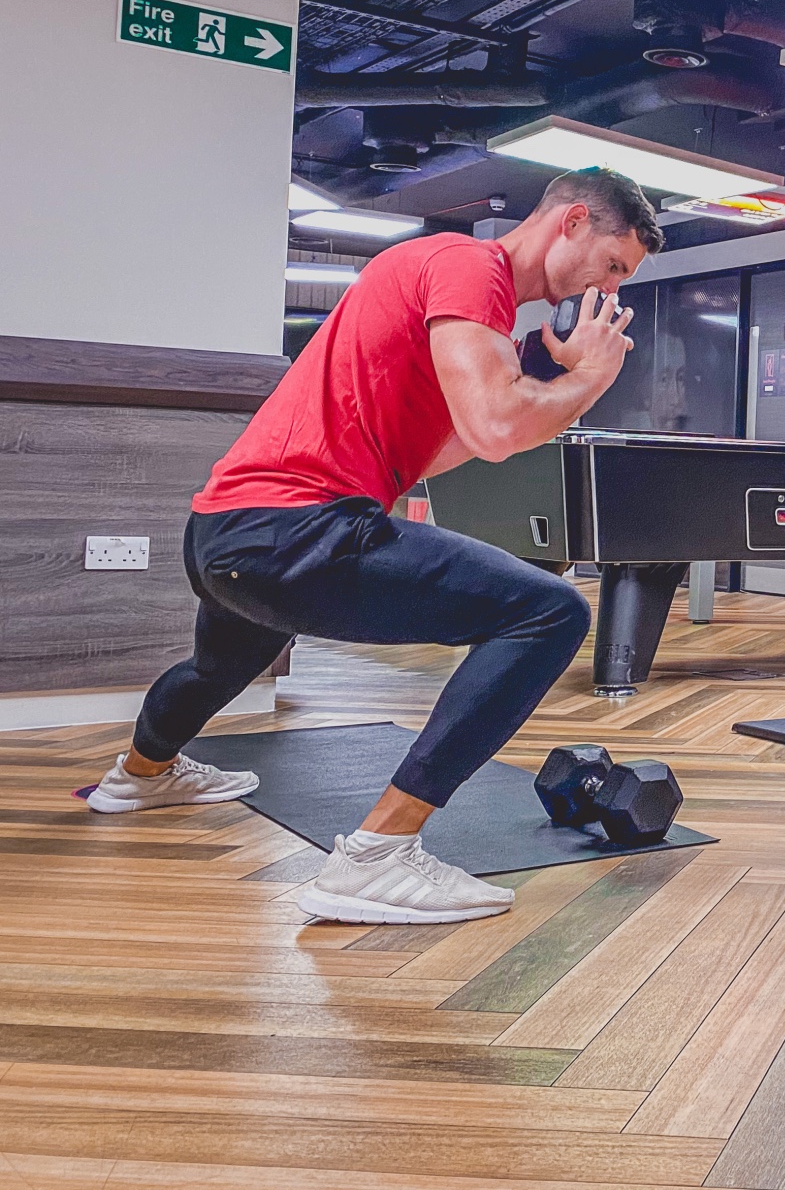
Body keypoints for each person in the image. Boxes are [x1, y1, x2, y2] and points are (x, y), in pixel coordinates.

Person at [85, 167, 663, 924]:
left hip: (226, 531)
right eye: (614, 265)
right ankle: (378, 858)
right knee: (548, 613)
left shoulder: (449, 290)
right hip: (299, 528)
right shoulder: (471, 266)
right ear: (573, 222)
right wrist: (589, 379)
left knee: (217, 666)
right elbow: (497, 428)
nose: (610, 289)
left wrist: (551, 382)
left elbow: (454, 445)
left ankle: (139, 775)